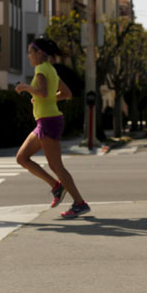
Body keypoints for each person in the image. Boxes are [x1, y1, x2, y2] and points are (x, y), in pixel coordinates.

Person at [15, 38, 90, 218]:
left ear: (39, 53)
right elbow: (66, 94)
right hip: (46, 121)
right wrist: (45, 99)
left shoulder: (41, 69)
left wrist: (26, 87)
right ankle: (56, 187)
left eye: (30, 52)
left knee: (56, 165)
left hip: (48, 121)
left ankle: (80, 203)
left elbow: (42, 92)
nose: (28, 56)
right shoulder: (52, 70)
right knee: (22, 158)